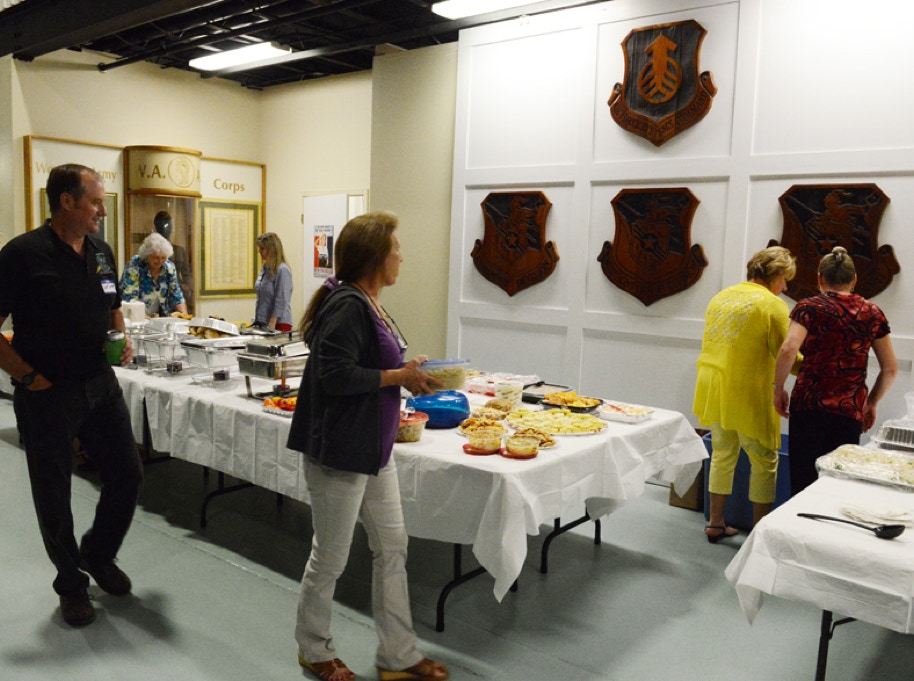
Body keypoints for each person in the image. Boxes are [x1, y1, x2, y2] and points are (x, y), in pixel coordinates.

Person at [287, 211, 449, 681]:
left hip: (372, 449)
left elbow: (369, 364)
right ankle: (314, 649)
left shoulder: (368, 301)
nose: (402, 257)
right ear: (376, 256)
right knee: (330, 557)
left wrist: (409, 371)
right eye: (396, 249)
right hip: (341, 452)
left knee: (393, 546)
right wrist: (400, 376)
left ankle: (398, 653)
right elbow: (335, 377)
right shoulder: (347, 305)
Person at [0, 163, 144, 626]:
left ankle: (97, 554)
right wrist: (27, 377)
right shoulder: (22, 255)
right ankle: (71, 584)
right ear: (67, 201)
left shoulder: (101, 251)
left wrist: (121, 339)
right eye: (96, 201)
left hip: (100, 384)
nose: (103, 210)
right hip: (48, 393)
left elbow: (113, 305)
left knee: (128, 474)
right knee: (54, 493)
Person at [693, 246, 798, 542]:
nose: (785, 287)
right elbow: (785, 353)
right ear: (775, 274)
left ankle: (715, 522)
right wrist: (817, 368)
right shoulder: (772, 305)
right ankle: (758, 535)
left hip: (714, 385)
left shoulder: (721, 297)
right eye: (785, 279)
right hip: (748, 388)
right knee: (764, 459)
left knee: (722, 454)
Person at [774, 246, 897, 496]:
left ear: (820, 278)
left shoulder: (808, 308)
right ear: (854, 279)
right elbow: (890, 369)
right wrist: (871, 403)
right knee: (836, 484)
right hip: (848, 409)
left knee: (802, 482)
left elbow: (788, 349)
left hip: (808, 405)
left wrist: (778, 388)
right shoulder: (872, 313)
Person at [120, 231, 188, 317]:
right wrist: (144, 318)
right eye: (156, 257)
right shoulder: (134, 266)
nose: (160, 261)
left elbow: (176, 295)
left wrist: (184, 316)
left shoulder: (169, 267)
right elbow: (129, 299)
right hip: (134, 316)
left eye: (163, 257)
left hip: (159, 316)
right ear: (147, 255)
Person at [153, 210, 193, 310]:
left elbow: (186, 273)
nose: (165, 230)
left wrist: (188, 287)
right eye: (161, 226)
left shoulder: (179, 250)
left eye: (168, 226)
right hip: (156, 293)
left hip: (178, 290)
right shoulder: (151, 252)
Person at [255, 232, 294, 331]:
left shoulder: (282, 270)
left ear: (271, 250)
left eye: (262, 249)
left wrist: (272, 322)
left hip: (278, 323)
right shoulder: (265, 268)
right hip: (263, 321)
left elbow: (282, 299)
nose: (259, 251)